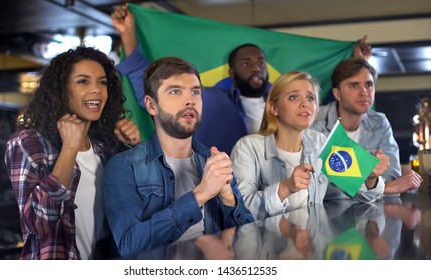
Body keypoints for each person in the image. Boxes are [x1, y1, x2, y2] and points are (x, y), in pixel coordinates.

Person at [111, 4, 371, 155]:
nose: (256, 67)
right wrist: (129, 35)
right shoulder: (211, 100)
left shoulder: (307, 127)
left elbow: (352, 176)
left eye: (260, 62)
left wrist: (360, 64)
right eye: (246, 63)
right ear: (231, 74)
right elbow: (157, 90)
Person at [102, 56, 254, 258]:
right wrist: (201, 194)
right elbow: (130, 244)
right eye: (175, 91)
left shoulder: (213, 161)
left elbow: (250, 239)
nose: (190, 99)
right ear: (151, 105)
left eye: (195, 92)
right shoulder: (123, 167)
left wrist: (227, 197)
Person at [4, 46, 141, 260]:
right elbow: (38, 223)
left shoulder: (106, 148)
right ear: (61, 90)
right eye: (83, 81)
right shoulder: (28, 143)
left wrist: (136, 146)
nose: (96, 90)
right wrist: (69, 148)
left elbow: (143, 206)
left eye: (102, 82)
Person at [230, 71, 389, 221]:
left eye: (311, 98)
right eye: (293, 97)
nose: (305, 104)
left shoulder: (323, 142)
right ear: (274, 108)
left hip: (313, 246)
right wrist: (285, 187)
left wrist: (370, 177)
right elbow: (240, 212)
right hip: (266, 247)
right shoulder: (247, 147)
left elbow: (365, 196)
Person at [311, 58, 422, 197]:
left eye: (369, 85)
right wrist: (379, 187)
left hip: (369, 214)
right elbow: (322, 189)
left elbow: (392, 180)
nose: (364, 92)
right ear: (337, 94)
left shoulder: (380, 123)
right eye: (353, 85)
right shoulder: (314, 122)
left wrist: (381, 186)